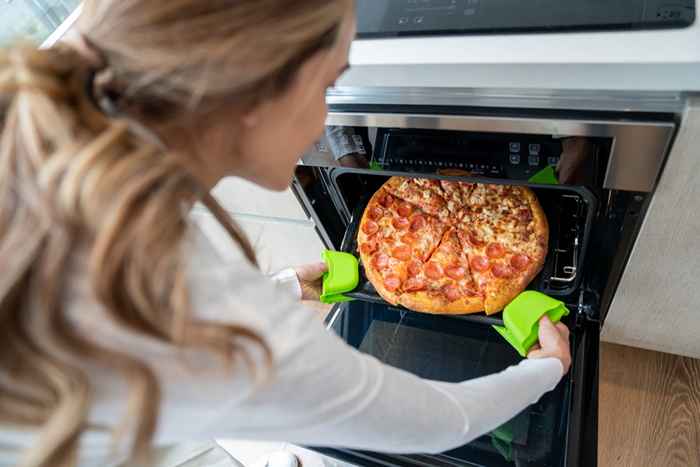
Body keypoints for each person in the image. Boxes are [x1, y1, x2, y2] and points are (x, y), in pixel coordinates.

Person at [0, 1, 572, 466]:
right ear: (257, 93)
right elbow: (441, 422)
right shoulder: (235, 329)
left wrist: (283, 287)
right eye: (327, 85)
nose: (326, 120)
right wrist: (547, 368)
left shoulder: (56, 164)